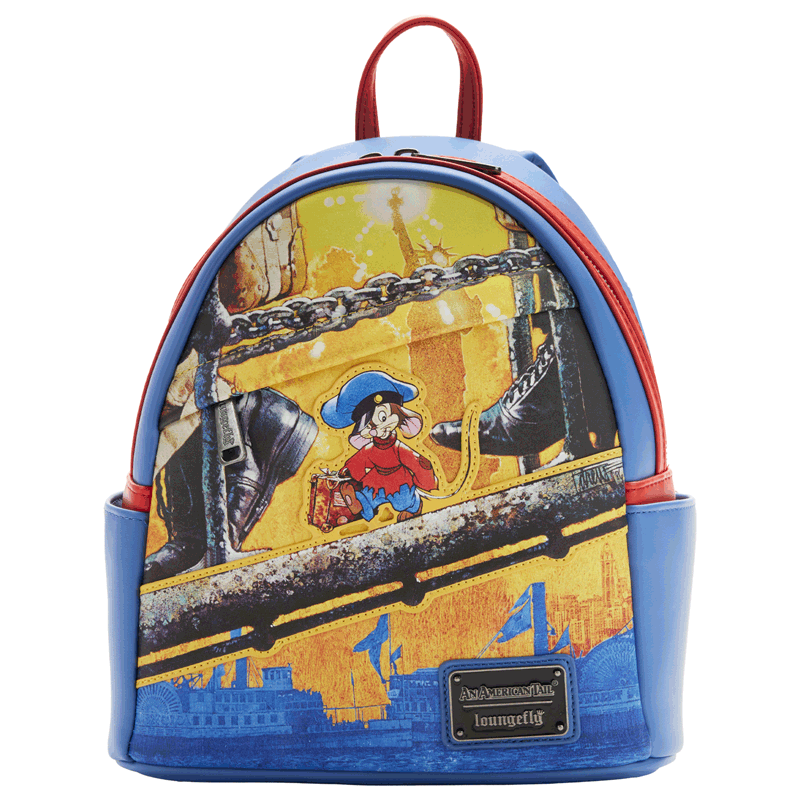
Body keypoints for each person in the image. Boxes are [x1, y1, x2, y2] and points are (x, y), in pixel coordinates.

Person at [321, 371, 437, 522]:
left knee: (403, 500)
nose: (377, 428)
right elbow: (360, 460)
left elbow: (417, 463)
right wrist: (348, 471)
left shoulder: (399, 449)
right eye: (369, 425)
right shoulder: (370, 449)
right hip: (376, 480)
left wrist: (427, 481)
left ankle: (413, 508)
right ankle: (359, 504)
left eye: (383, 417)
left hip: (399, 481)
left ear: (397, 412)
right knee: (369, 497)